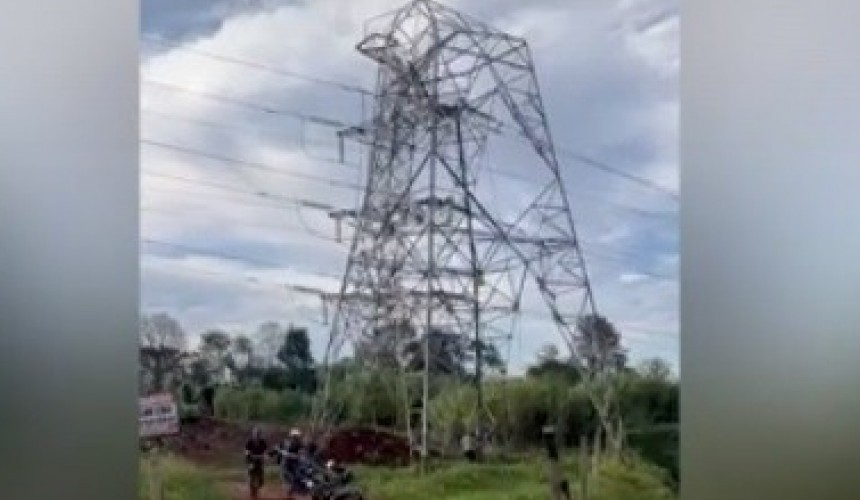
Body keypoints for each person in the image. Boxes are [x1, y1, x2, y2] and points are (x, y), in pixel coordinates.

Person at [244, 427, 268, 500]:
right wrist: (251, 456)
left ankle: (256, 488)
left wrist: (264, 456)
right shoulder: (249, 441)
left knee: (261, 480)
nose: (256, 435)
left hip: (259, 461)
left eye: (258, 434)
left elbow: (265, 452)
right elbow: (246, 452)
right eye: (255, 434)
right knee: (252, 476)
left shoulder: (263, 442)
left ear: (260, 435)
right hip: (251, 460)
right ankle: (253, 491)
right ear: (253, 434)